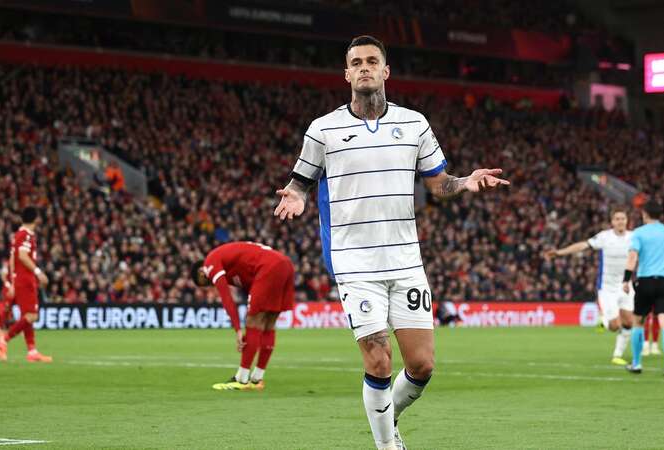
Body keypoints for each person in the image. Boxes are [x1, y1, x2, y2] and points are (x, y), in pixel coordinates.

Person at [273, 35, 510, 450]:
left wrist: (467, 182)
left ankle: (385, 416)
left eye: (371, 61)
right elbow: (300, 183)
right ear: (346, 74)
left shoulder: (415, 124)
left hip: (405, 260)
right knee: (379, 358)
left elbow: (440, 184)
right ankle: (387, 444)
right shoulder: (323, 130)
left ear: (385, 71)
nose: (364, 67)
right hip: (354, 262)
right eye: (356, 62)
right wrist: (295, 195)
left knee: (421, 365)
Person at [190, 241, 295, 391]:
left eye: (204, 283)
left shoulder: (209, 263)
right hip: (285, 264)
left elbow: (226, 298)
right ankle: (257, 378)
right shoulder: (233, 270)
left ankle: (241, 378)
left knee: (253, 321)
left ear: (201, 273)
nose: (209, 285)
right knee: (268, 323)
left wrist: (238, 330)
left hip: (268, 266)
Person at [543, 207, 634, 365]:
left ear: (627, 221)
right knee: (614, 326)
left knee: (629, 322)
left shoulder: (634, 237)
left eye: (623, 219)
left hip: (626, 286)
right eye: (617, 219)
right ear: (612, 222)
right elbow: (583, 245)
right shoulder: (604, 237)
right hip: (607, 288)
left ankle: (617, 355)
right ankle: (604, 320)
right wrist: (560, 252)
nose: (620, 221)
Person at [623, 200, 664, 376]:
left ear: (645, 214)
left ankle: (637, 363)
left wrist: (626, 280)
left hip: (645, 281)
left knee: (638, 322)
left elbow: (632, 258)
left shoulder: (639, 233)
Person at [0, 207, 52, 363]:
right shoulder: (25, 235)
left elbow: (13, 258)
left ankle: (32, 351)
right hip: (26, 279)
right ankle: (3, 339)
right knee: (32, 316)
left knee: (28, 317)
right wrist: (38, 272)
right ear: (36, 219)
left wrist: (13, 281)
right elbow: (22, 256)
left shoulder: (21, 235)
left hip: (21, 279)